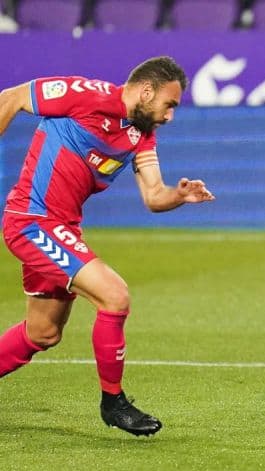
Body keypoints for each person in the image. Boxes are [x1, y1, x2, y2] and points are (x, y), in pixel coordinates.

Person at [0, 56, 214, 436]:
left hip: (61, 228)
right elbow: (13, 97)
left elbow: (153, 195)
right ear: (147, 91)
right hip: (32, 221)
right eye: (169, 104)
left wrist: (180, 196)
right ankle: (113, 402)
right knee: (114, 295)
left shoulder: (141, 134)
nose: (169, 116)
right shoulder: (86, 95)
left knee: (42, 333)